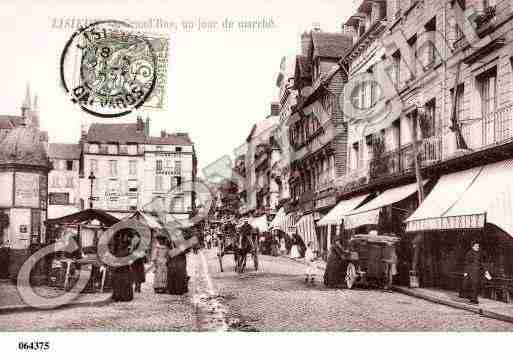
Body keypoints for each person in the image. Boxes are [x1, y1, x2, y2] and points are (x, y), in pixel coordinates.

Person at [111, 230, 134, 302]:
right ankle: (118, 295)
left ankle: (124, 296)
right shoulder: (117, 244)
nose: (125, 238)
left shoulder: (128, 245)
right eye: (124, 236)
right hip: (119, 263)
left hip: (125, 265)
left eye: (126, 236)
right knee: (118, 280)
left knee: (125, 280)